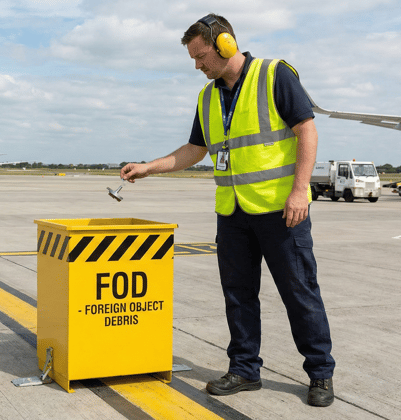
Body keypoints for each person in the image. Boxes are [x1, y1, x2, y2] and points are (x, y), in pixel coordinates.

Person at [120, 13, 335, 407]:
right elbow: (195, 150)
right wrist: (149, 167)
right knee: (238, 295)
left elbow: (307, 128)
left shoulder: (274, 75)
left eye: (201, 56)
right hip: (233, 213)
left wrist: (300, 190)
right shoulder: (208, 97)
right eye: (193, 59)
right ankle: (244, 369)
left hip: (280, 211)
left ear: (226, 45)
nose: (198, 66)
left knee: (300, 293)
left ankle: (320, 373)